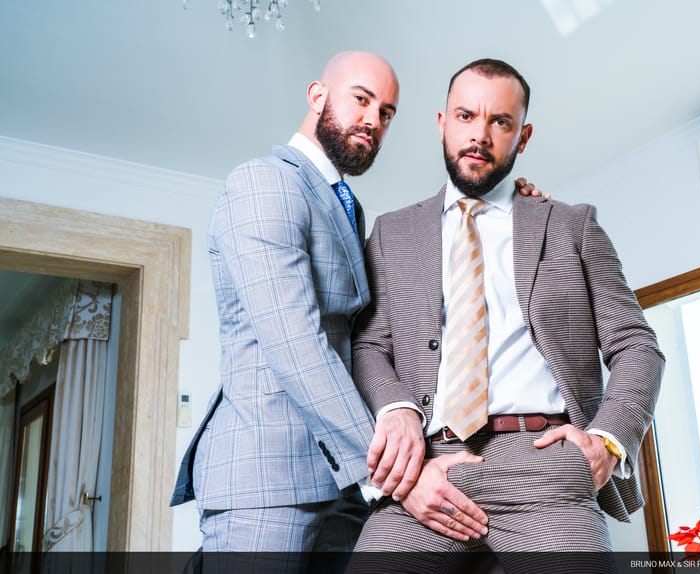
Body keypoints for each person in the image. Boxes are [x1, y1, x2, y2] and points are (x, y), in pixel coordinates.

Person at [169, 51, 541, 564]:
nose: (373, 120)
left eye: (386, 112)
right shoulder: (262, 182)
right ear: (317, 95)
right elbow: (296, 343)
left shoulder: (346, 205)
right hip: (268, 479)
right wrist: (397, 476)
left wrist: (504, 210)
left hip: (343, 487)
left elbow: (373, 332)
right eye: (361, 100)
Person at [348, 58, 664, 570]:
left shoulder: (571, 225)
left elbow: (636, 345)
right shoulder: (391, 233)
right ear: (442, 123)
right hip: (429, 472)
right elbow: (367, 346)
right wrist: (396, 410)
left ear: (524, 135)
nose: (480, 135)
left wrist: (608, 441)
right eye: (465, 116)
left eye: (500, 121)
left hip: (545, 466)